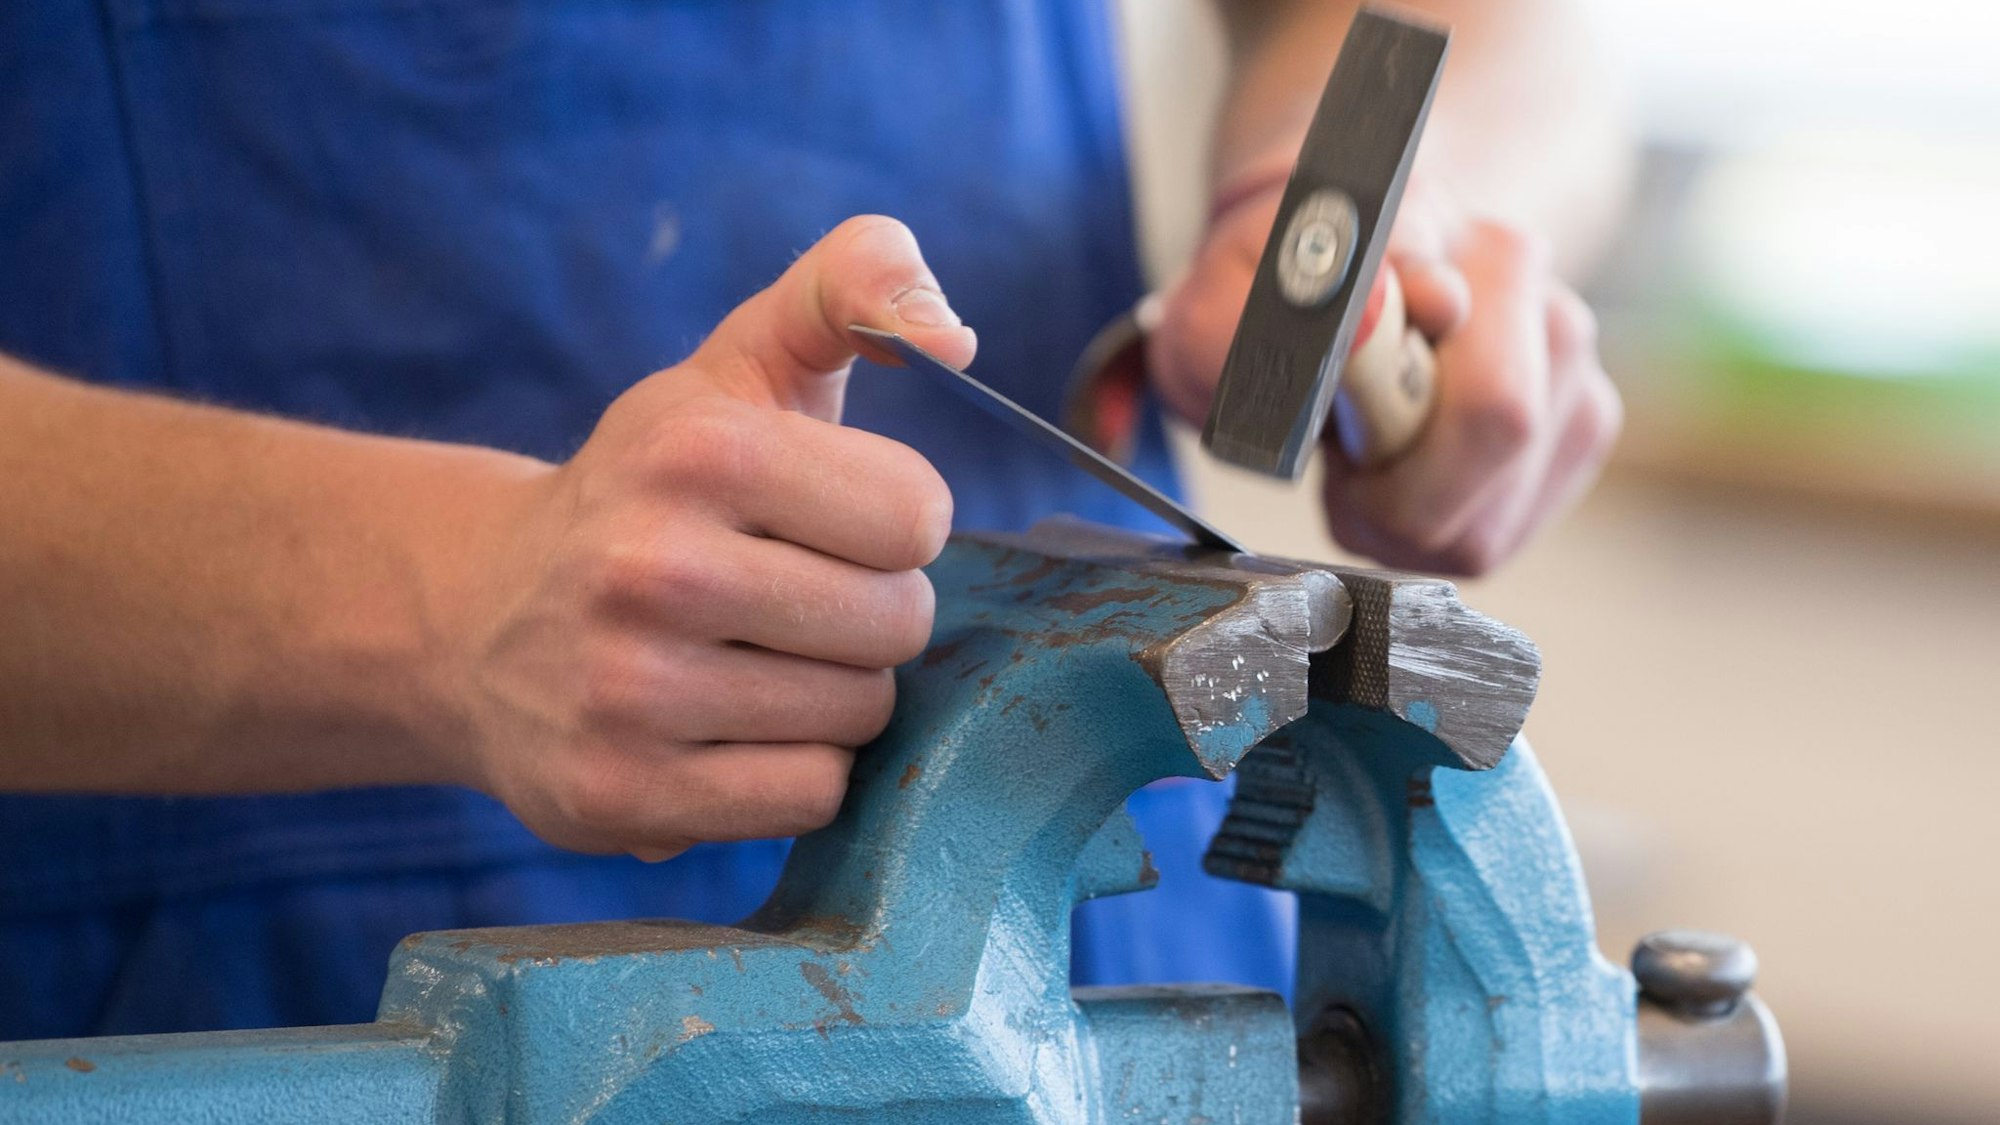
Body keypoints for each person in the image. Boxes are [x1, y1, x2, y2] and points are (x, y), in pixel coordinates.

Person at [0, 0, 1625, 1038]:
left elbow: (1494, 29)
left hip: (1107, 913)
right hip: (237, 979)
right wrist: (449, 599)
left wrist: (1390, 208)